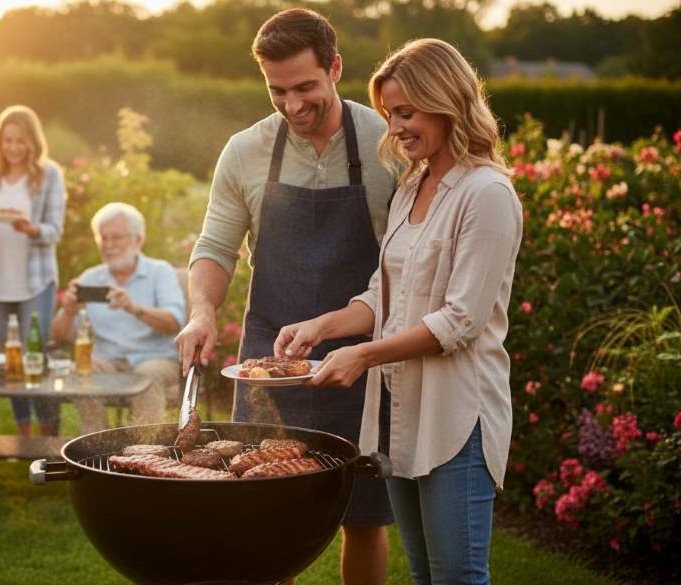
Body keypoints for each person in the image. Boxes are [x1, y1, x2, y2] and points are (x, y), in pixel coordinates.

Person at [274, 38, 522, 584]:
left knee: (457, 578)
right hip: (399, 414)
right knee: (424, 577)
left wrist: (362, 355)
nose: (397, 128)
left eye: (407, 112)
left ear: (446, 100)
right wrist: (323, 328)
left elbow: (460, 321)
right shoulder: (413, 185)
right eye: (390, 115)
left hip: (456, 415)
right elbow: (383, 295)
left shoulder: (487, 194)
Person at [175, 9, 398, 585]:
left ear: (335, 68)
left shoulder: (386, 142)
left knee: (365, 516)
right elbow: (216, 247)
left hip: (360, 360)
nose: (294, 105)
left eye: (306, 88)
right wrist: (202, 312)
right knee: (266, 515)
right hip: (265, 365)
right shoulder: (245, 151)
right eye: (278, 91)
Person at [51, 202, 184, 433]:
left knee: (147, 375)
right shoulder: (91, 278)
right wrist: (69, 310)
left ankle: (145, 451)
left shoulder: (159, 272)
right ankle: (97, 442)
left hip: (155, 358)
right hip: (108, 359)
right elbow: (59, 335)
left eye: (117, 237)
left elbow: (173, 323)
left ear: (138, 239)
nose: (109, 245)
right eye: (104, 238)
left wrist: (133, 307)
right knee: (80, 370)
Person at [0, 105, 66, 437]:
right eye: (7, 141)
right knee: (11, 360)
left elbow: (54, 231)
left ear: (33, 142)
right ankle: (23, 433)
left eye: (20, 141)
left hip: (35, 281)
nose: (13, 147)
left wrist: (30, 229)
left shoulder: (48, 176)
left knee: (35, 355)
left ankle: (49, 433)